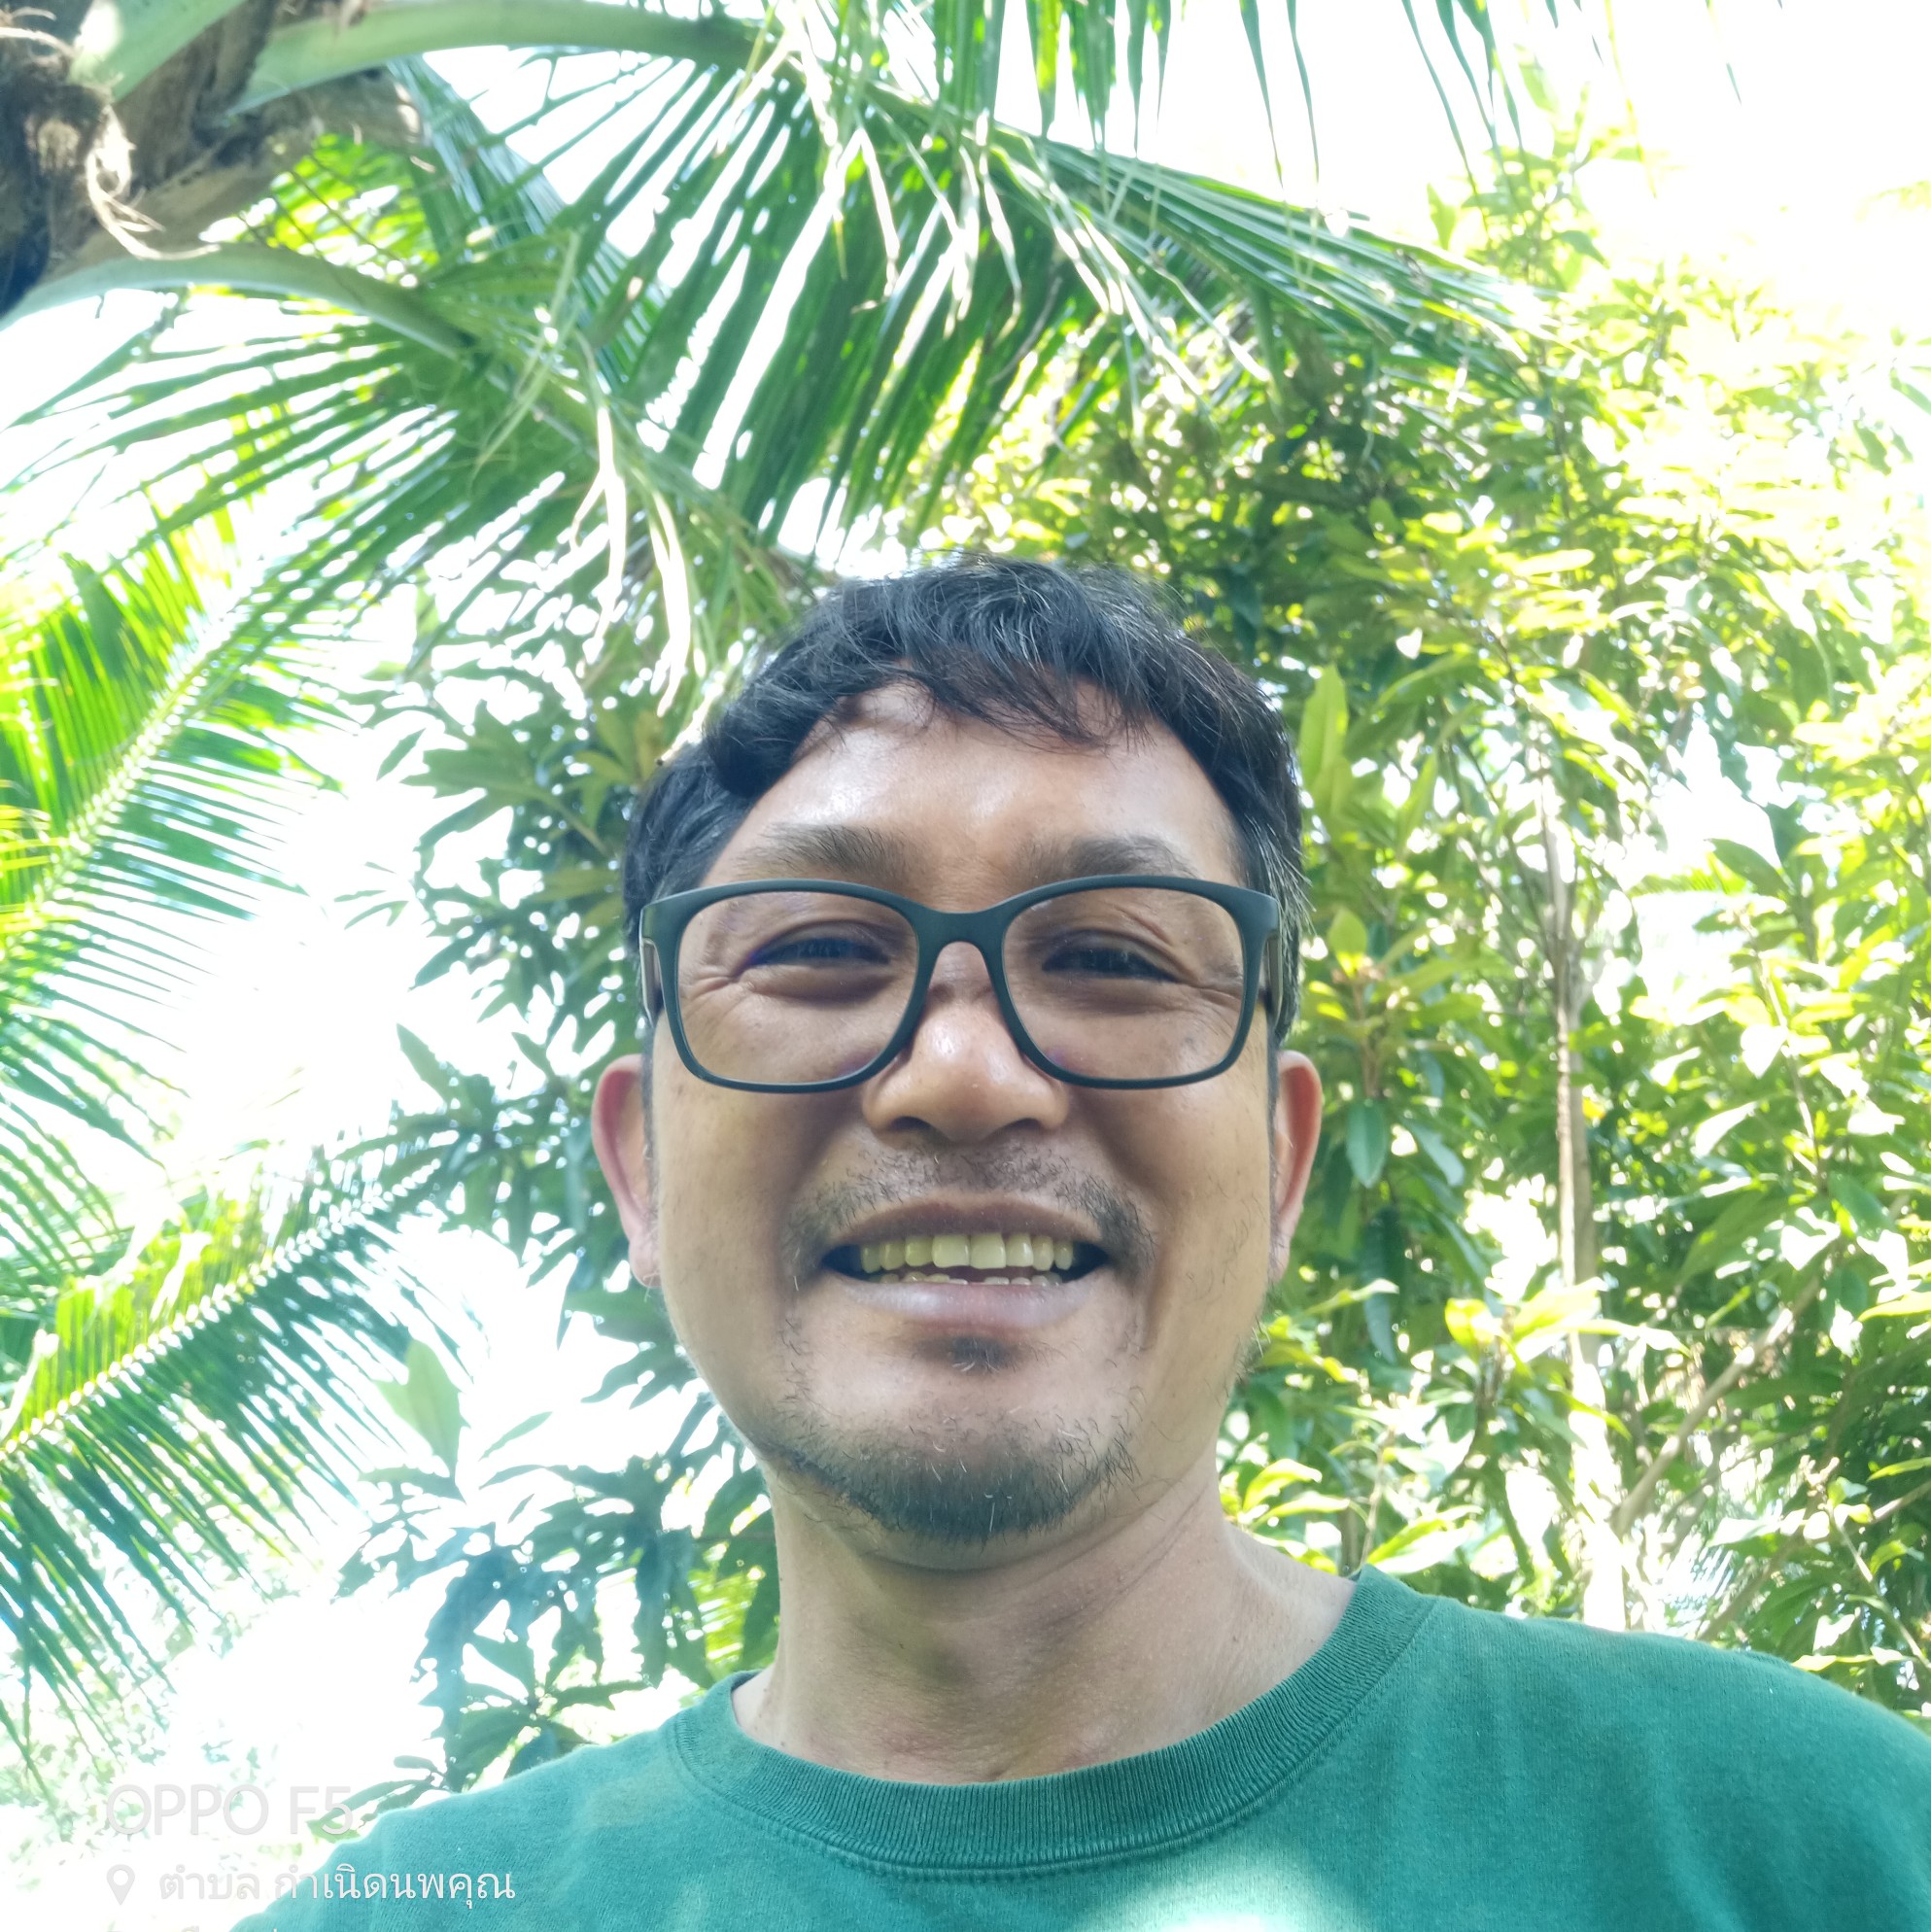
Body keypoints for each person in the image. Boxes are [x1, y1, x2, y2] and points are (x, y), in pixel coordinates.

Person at [237, 557, 1931, 1930]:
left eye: (1115, 959)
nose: (962, 1074)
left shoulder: (1816, 1848)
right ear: (642, 1170)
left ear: (1280, 1161)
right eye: (819, 950)